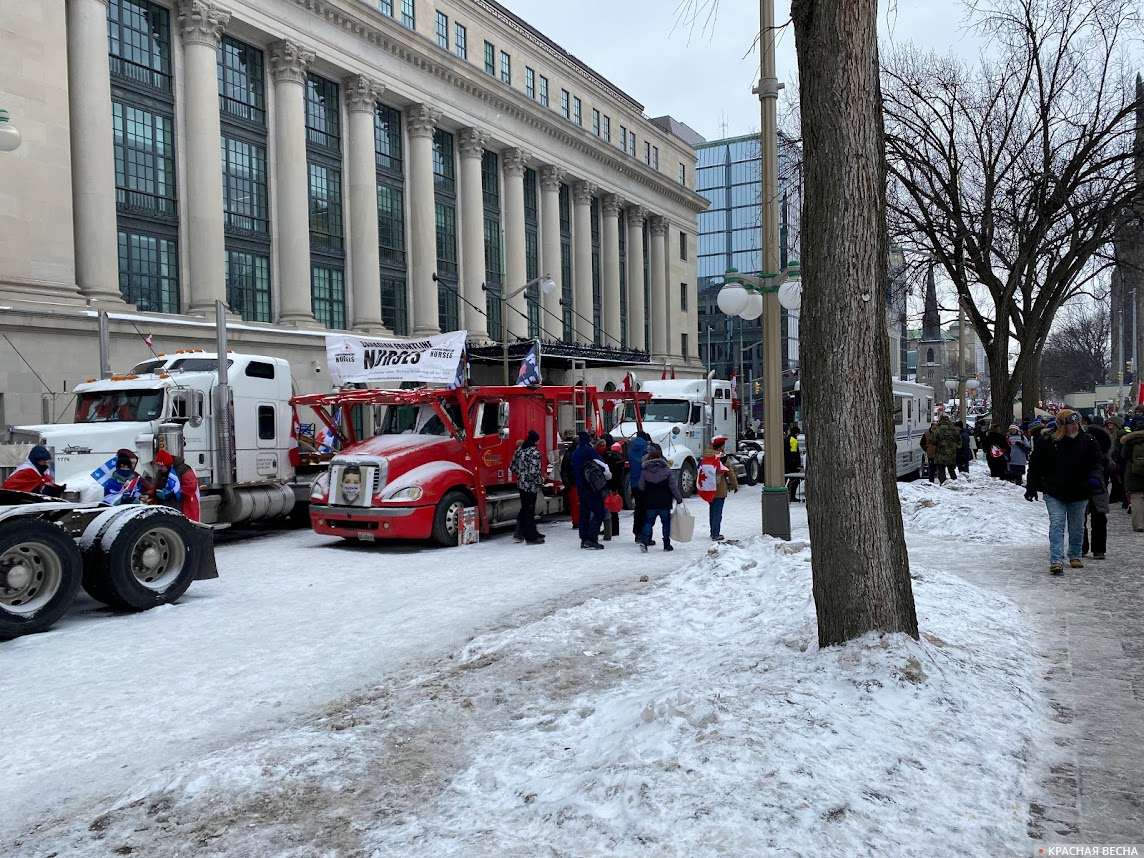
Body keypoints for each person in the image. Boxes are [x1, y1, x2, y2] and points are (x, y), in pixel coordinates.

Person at [1025, 408, 1105, 574]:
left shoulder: (1088, 441)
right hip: (1054, 491)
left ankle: (1075, 555)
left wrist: (1095, 477)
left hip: (1080, 490)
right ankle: (1056, 559)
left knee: (1077, 526)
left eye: (1076, 423)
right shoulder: (1047, 441)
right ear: (1062, 425)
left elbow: (1097, 462)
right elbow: (1035, 465)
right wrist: (1031, 487)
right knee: (1057, 524)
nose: (1075, 427)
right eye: (1070, 424)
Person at [638, 447, 682, 552]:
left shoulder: (644, 472)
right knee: (666, 523)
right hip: (664, 501)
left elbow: (641, 487)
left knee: (648, 522)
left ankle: (644, 542)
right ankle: (666, 545)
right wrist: (678, 498)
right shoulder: (666, 470)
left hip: (650, 501)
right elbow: (673, 487)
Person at [1081, 422, 1114, 559]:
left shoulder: (1103, 457)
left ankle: (1097, 549)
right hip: (1084, 488)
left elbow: (1110, 468)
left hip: (1098, 489)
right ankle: (1084, 547)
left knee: (1098, 519)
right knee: (1080, 519)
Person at [697, 434, 739, 540]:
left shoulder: (705, 456)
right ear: (720, 447)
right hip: (719, 487)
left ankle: (713, 531)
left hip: (708, 487)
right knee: (717, 511)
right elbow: (730, 472)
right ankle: (715, 534)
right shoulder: (723, 457)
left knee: (712, 509)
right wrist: (735, 485)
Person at [571, 431, 608, 550]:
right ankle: (592, 538)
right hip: (592, 486)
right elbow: (601, 464)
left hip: (580, 487)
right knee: (599, 512)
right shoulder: (589, 450)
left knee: (584, 513)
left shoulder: (575, 453)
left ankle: (584, 538)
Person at [509, 429, 545, 545]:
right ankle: (530, 536)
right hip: (531, 485)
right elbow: (534, 471)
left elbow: (512, 467)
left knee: (525, 508)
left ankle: (523, 532)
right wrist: (540, 481)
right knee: (529, 510)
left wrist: (521, 473)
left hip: (521, 484)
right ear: (535, 441)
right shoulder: (534, 452)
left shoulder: (519, 450)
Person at [147, 448, 201, 522]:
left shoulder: (185, 471)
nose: (159, 469)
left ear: (167, 464)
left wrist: (172, 494)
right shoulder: (162, 471)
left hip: (183, 506)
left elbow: (190, 488)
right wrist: (149, 495)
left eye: (161, 466)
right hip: (168, 506)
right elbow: (156, 485)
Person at [601, 435, 626, 541]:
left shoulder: (607, 455)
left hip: (609, 484)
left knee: (608, 506)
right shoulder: (617, 455)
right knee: (614, 507)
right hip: (617, 483)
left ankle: (611, 529)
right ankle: (615, 529)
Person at [1121, 418, 1144, 532]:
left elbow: (1123, 456)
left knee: (1136, 499)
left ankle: (1139, 525)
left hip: (1133, 473)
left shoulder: (1129, 441)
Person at [628, 430, 651, 543]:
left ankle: (637, 533)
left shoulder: (631, 450)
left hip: (634, 483)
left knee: (638, 509)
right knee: (647, 511)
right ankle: (645, 535)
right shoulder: (648, 449)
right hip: (646, 484)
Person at [559, 430, 579, 528]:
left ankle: (577, 521)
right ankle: (577, 522)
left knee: (575, 504)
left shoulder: (569, 453)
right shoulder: (572, 454)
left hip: (573, 481)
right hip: (575, 481)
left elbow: (564, 470)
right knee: (577, 504)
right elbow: (565, 470)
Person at [784, 423, 803, 502]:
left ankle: (787, 494)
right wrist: (797, 465)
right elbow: (794, 454)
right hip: (792, 465)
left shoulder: (787, 439)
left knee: (787, 480)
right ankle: (792, 496)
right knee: (794, 480)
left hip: (786, 464)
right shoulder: (793, 441)